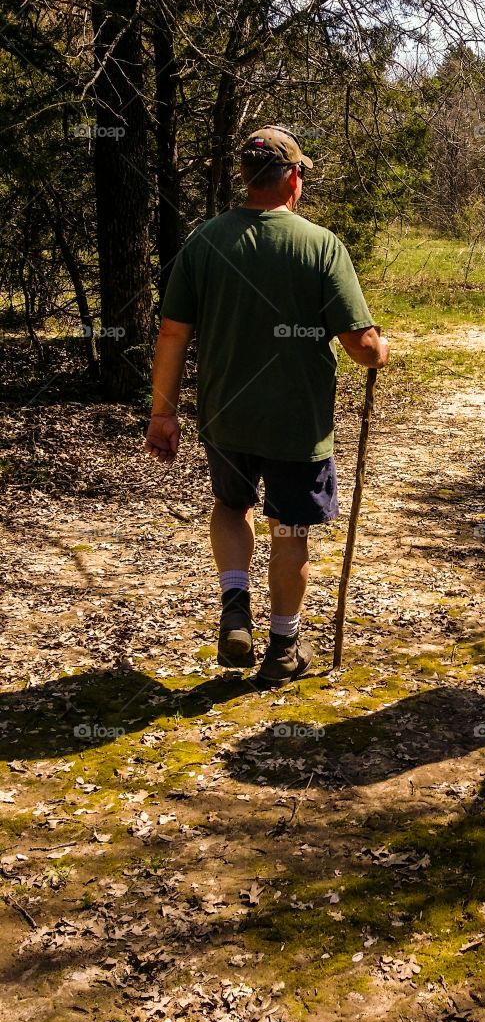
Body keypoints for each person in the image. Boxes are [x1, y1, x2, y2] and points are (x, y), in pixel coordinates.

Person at [144, 125, 389, 687]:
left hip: (226, 418)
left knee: (232, 508)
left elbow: (172, 335)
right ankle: (282, 647)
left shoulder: (204, 242)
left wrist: (164, 413)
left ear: (245, 177)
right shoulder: (321, 246)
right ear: (293, 179)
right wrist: (380, 349)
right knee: (289, 530)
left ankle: (235, 604)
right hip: (297, 425)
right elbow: (362, 346)